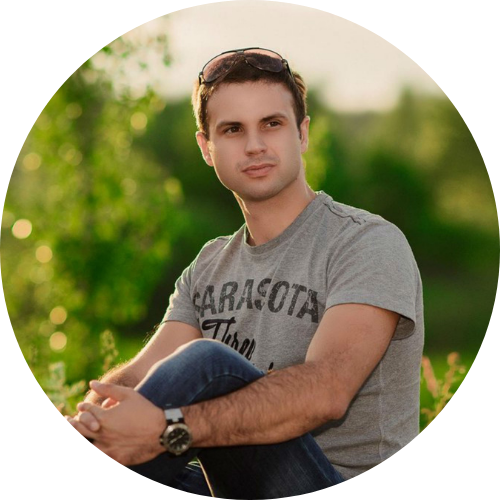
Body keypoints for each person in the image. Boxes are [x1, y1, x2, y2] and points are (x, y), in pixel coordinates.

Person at [66, 47, 424, 497]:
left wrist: (166, 428)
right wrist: (93, 417)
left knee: (208, 363)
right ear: (206, 148)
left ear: (302, 133)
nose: (255, 145)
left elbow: (327, 391)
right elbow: (139, 376)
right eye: (232, 129)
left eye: (271, 124)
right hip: (238, 486)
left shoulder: (366, 243)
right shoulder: (209, 264)